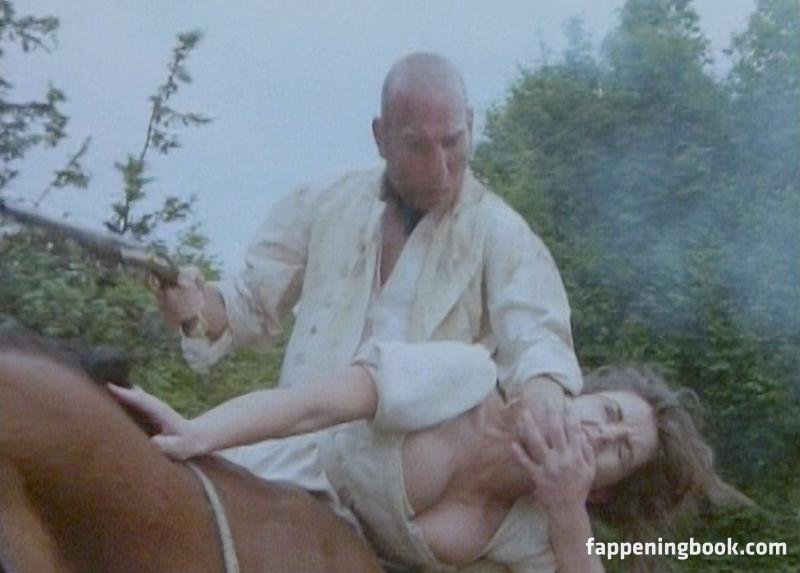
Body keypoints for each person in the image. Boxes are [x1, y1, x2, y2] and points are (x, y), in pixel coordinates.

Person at [156, 52, 583, 449]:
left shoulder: (504, 234)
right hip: (287, 453)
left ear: (470, 124)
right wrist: (194, 307)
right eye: (417, 146)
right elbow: (249, 303)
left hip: (408, 481)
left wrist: (544, 390)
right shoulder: (324, 203)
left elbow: (539, 343)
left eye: (453, 142)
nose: (440, 168)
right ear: (381, 137)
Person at [111, 341, 741, 573]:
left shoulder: (537, 530)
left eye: (618, 451)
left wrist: (568, 514)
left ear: (601, 490)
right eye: (607, 413)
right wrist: (199, 432)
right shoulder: (464, 380)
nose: (599, 435)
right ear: (579, 395)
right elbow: (312, 405)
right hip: (267, 481)